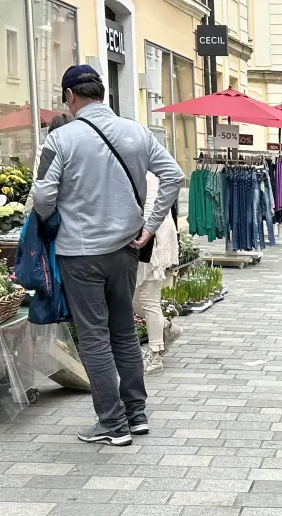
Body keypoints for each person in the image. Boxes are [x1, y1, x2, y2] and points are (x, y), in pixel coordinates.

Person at [30, 65, 183, 445]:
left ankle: (112, 424)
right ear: (102, 93)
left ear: (70, 96)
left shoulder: (61, 140)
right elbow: (173, 175)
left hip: (80, 252)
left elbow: (43, 197)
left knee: (95, 337)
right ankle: (137, 414)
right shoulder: (137, 131)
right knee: (125, 333)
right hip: (126, 249)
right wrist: (149, 226)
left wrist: (51, 219)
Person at [134, 168, 180, 373]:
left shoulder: (145, 175)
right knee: (134, 298)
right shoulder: (143, 171)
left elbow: (150, 207)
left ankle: (154, 354)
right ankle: (168, 329)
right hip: (147, 237)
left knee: (148, 298)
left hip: (151, 239)